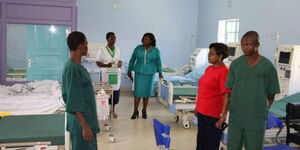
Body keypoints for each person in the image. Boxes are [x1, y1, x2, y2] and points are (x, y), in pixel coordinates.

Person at [218, 31, 280, 150]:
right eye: (243, 44)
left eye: (248, 44)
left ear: (257, 44)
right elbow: (229, 93)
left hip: (256, 120)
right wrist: (223, 114)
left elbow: (271, 95)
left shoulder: (267, 66)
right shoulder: (236, 65)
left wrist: (260, 109)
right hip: (236, 118)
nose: (244, 47)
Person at [62, 31, 99, 150]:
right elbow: (74, 99)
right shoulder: (73, 69)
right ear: (80, 46)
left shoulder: (76, 65)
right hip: (81, 123)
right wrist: (85, 126)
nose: (87, 47)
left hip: (84, 120)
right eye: (86, 43)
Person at [195, 43, 231, 150]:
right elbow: (203, 90)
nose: (208, 55)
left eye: (212, 53)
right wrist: (197, 107)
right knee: (201, 142)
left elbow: (227, 95)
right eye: (209, 53)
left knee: (210, 145)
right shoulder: (209, 69)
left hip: (212, 115)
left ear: (220, 56)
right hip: (202, 111)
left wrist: (222, 116)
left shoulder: (224, 72)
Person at [127, 33, 163, 119]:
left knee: (146, 93)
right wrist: (129, 70)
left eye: (146, 39)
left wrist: (160, 73)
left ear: (151, 41)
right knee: (137, 93)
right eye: (143, 39)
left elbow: (158, 62)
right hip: (139, 72)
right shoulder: (138, 48)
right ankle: (135, 111)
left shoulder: (155, 50)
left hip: (149, 74)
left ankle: (144, 110)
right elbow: (132, 59)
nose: (144, 40)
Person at [96, 32, 122, 117]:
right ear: (107, 39)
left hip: (115, 74)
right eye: (112, 38)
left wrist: (119, 64)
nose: (114, 40)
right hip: (106, 75)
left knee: (115, 92)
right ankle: (105, 111)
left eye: (115, 38)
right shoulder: (102, 49)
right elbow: (98, 62)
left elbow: (120, 60)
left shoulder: (117, 49)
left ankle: (113, 110)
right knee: (106, 93)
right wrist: (107, 65)